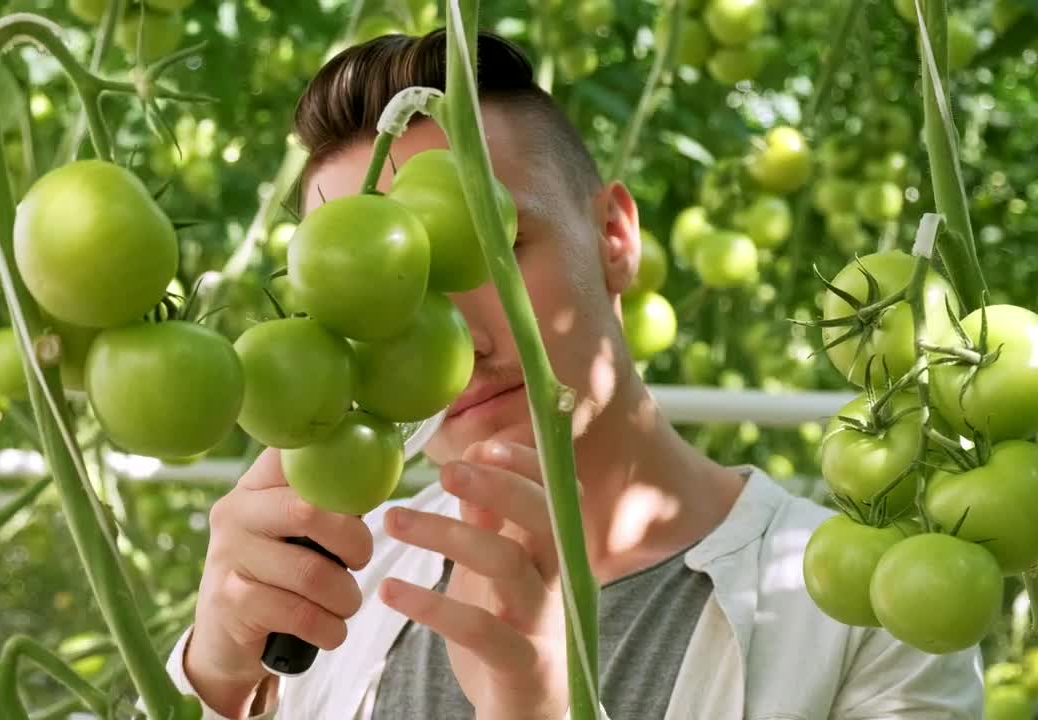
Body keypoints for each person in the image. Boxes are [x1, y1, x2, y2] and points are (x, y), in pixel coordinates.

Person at [162, 29, 983, 720]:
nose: (453, 340)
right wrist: (217, 682)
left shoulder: (864, 612)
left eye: (486, 247)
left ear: (616, 236)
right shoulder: (341, 581)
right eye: (377, 295)